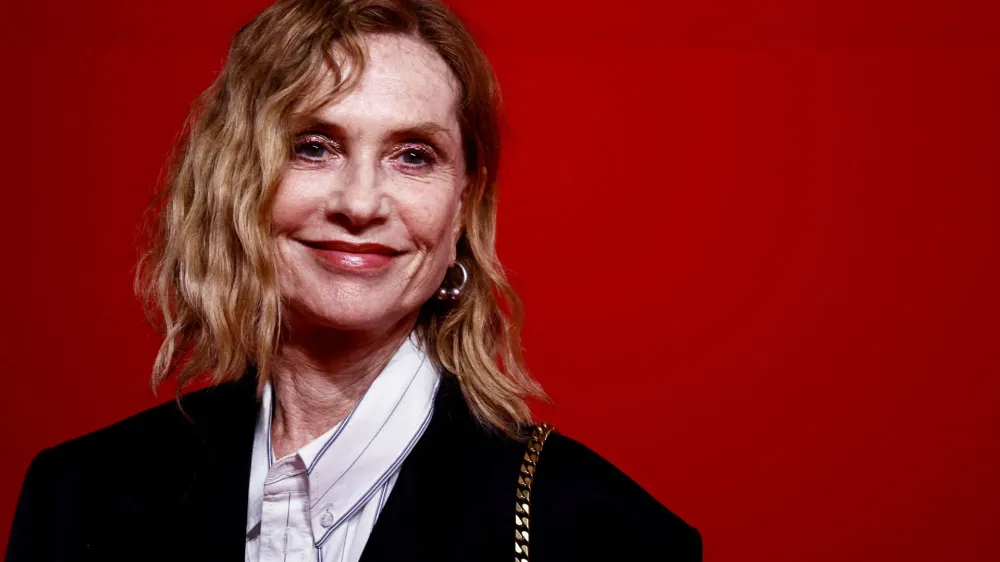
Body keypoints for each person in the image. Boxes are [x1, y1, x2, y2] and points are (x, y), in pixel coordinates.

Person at [6, 1, 701, 560]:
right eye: (314, 146)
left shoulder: (606, 534)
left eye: (413, 156)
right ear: (238, 178)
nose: (361, 203)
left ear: (462, 202)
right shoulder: (76, 499)